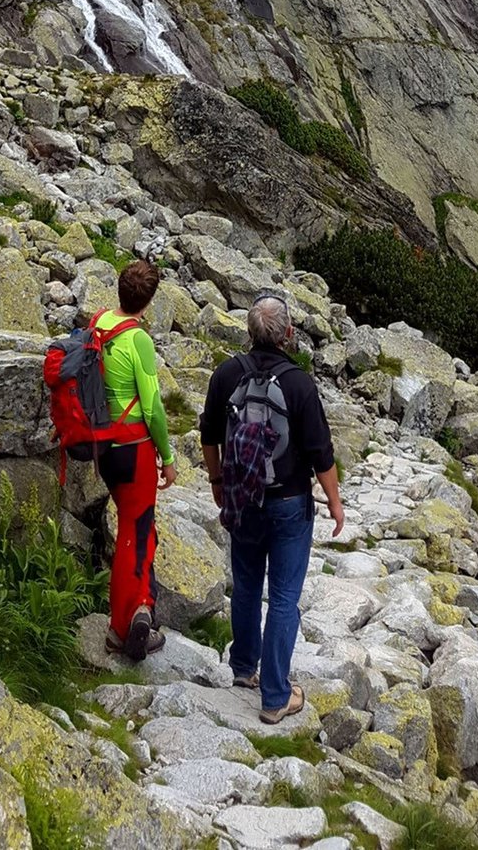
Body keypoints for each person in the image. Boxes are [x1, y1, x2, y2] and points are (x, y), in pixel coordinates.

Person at [200, 291, 343, 722]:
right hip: (288, 502)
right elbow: (321, 452)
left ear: (249, 331)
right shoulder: (299, 382)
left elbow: (209, 435)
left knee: (245, 584)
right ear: (288, 334)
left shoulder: (226, 374)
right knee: (283, 597)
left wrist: (217, 481)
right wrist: (335, 503)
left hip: (242, 498)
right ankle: (277, 696)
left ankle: (244, 669)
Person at [96, 259, 177, 661]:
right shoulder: (138, 339)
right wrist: (169, 456)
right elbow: (154, 410)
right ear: (149, 301)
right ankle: (122, 627)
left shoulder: (101, 324)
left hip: (102, 447)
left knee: (137, 528)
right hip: (134, 448)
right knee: (135, 532)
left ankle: (143, 604)